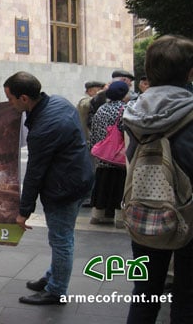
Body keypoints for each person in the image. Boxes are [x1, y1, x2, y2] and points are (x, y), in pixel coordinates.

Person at [3, 71, 94, 305]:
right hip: (78, 178)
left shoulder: (44, 129)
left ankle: (56, 290)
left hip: (64, 187)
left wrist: (24, 211)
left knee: (61, 239)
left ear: (24, 98)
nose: (9, 104)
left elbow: (34, 172)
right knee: (63, 236)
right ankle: (53, 276)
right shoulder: (58, 102)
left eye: (10, 99)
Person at [122, 35, 193, 324]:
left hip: (142, 212)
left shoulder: (133, 112)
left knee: (145, 294)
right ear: (190, 72)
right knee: (187, 298)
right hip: (188, 217)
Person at [88, 81, 129, 227]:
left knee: (101, 185)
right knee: (119, 186)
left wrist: (94, 149)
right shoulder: (125, 109)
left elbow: (93, 130)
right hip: (118, 157)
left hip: (102, 156)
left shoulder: (101, 109)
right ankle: (119, 218)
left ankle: (96, 215)